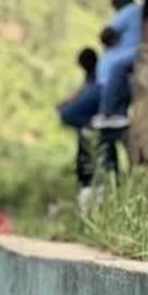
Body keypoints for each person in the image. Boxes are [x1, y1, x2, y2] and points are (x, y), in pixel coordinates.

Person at [92, 0, 144, 132]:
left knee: (78, 113)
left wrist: (109, 40)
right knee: (115, 124)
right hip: (117, 73)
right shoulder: (135, 12)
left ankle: (107, 113)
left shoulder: (129, 11)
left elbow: (106, 34)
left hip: (114, 74)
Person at [57, 47, 99, 189]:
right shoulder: (92, 75)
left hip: (91, 121)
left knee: (87, 152)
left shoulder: (97, 76)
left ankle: (88, 182)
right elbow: (82, 90)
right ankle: (86, 181)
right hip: (87, 121)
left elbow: (84, 92)